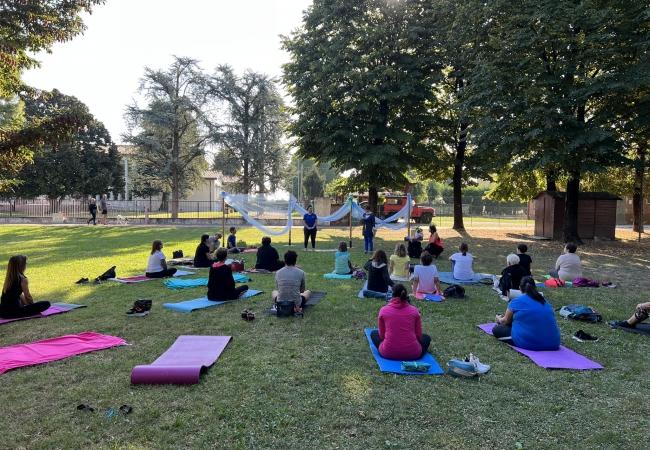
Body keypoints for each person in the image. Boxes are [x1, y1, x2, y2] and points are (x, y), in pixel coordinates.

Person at [492, 277, 560, 350]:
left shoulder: (516, 301)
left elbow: (505, 321)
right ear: (535, 288)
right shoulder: (544, 301)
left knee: (497, 329)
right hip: (554, 342)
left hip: (532, 343)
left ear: (520, 288)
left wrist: (498, 318)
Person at [370, 284, 431, 360]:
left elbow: (382, 336)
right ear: (406, 296)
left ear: (392, 295)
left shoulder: (383, 310)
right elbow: (418, 335)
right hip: (413, 353)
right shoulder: (414, 311)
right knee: (426, 338)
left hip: (388, 353)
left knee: (373, 333)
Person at [0, 255, 50, 319]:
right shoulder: (23, 279)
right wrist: (33, 306)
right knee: (46, 303)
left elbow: (20, 294)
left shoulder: (9, 278)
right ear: (22, 266)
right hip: (13, 313)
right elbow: (28, 296)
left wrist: (26, 305)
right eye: (25, 263)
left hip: (2, 312)